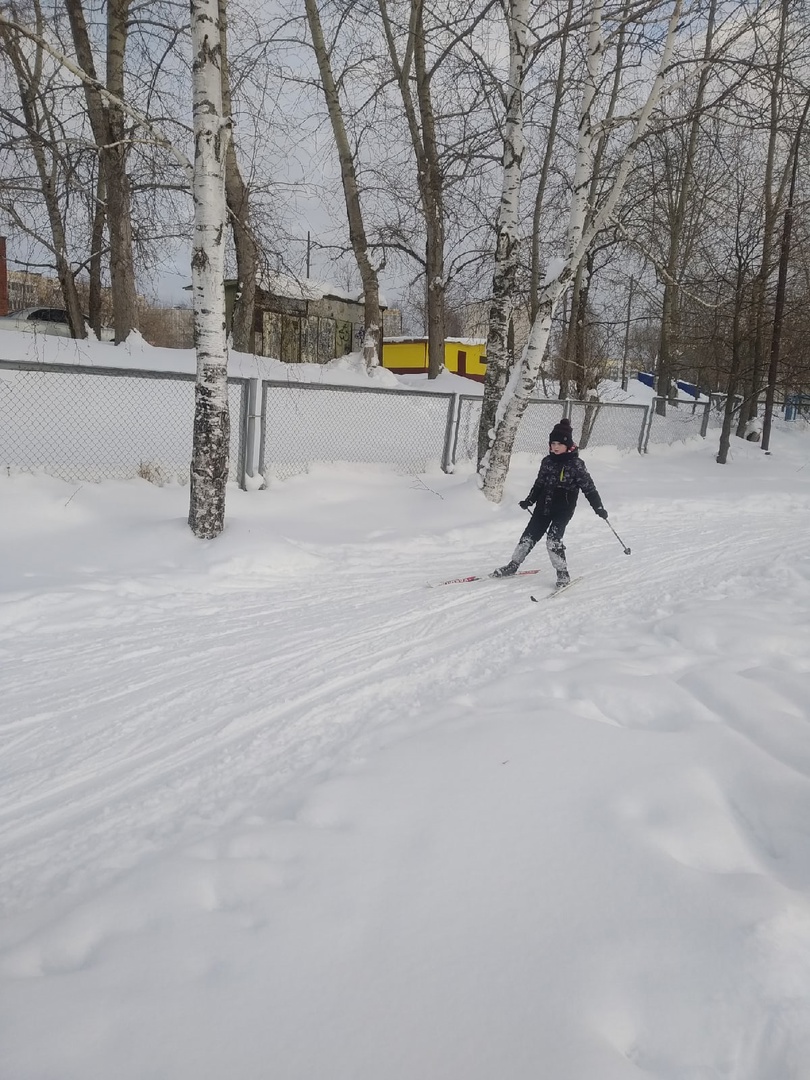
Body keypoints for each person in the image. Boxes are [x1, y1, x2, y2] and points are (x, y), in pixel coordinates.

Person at [491, 417, 608, 587]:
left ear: (567, 445)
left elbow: (589, 488)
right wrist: (529, 500)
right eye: (552, 443)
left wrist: (598, 507)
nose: (555, 447)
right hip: (543, 507)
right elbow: (539, 483)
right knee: (528, 537)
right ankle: (513, 565)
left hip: (563, 510)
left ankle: (563, 574)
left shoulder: (576, 464)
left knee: (553, 540)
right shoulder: (547, 462)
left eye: (559, 444)